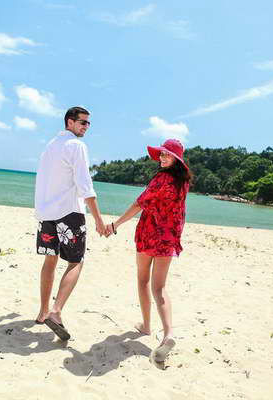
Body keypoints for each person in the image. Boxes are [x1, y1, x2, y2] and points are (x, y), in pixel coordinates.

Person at [108, 139, 192, 362]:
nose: (162, 158)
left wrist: (116, 224)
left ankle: (146, 326)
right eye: (161, 154)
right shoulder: (183, 182)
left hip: (149, 234)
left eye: (167, 154)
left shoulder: (161, 178)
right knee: (160, 288)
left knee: (143, 280)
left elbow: (139, 204)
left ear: (176, 159)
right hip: (168, 238)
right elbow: (180, 213)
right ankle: (168, 333)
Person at [34, 106, 108, 341]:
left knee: (50, 260)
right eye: (82, 122)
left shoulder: (50, 146)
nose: (86, 127)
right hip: (68, 212)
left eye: (88, 123)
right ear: (70, 122)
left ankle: (43, 312)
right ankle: (55, 312)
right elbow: (85, 185)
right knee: (76, 262)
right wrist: (98, 219)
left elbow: (42, 180)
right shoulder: (76, 146)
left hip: (46, 213)